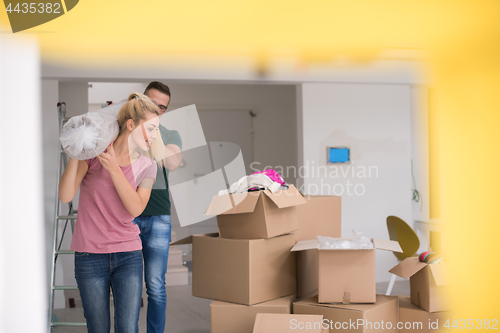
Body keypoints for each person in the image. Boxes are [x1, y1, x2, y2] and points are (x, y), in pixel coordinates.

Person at [59, 93, 164, 333]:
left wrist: (116, 169)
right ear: (131, 125)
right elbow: (65, 196)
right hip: (89, 255)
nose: (156, 135)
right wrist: (76, 151)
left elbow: (136, 207)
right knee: (98, 328)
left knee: (127, 328)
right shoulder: (95, 155)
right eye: (151, 128)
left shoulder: (148, 165)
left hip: (128, 255)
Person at [133, 81, 182, 333]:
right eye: (152, 103)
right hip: (127, 214)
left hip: (158, 216)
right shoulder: (126, 131)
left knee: (155, 285)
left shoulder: (170, 134)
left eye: (161, 108)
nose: (157, 109)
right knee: (127, 286)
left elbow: (173, 163)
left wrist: (154, 127)